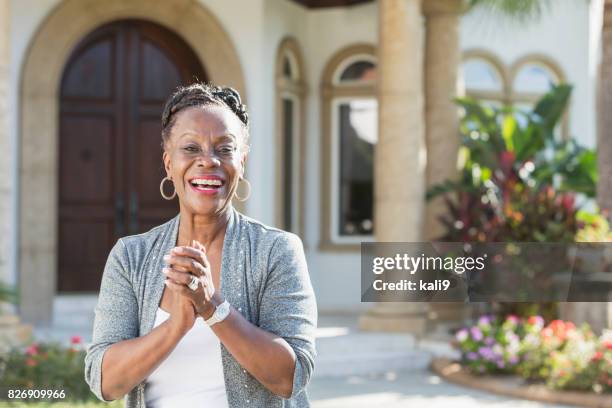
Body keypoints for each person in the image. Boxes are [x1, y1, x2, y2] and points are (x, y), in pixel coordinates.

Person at [84, 83, 317, 408]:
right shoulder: (131, 257)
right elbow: (105, 382)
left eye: (224, 149)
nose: (208, 161)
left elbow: (291, 377)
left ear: (242, 161)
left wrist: (211, 306)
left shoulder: (275, 251)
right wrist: (175, 326)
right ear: (168, 163)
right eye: (191, 148)